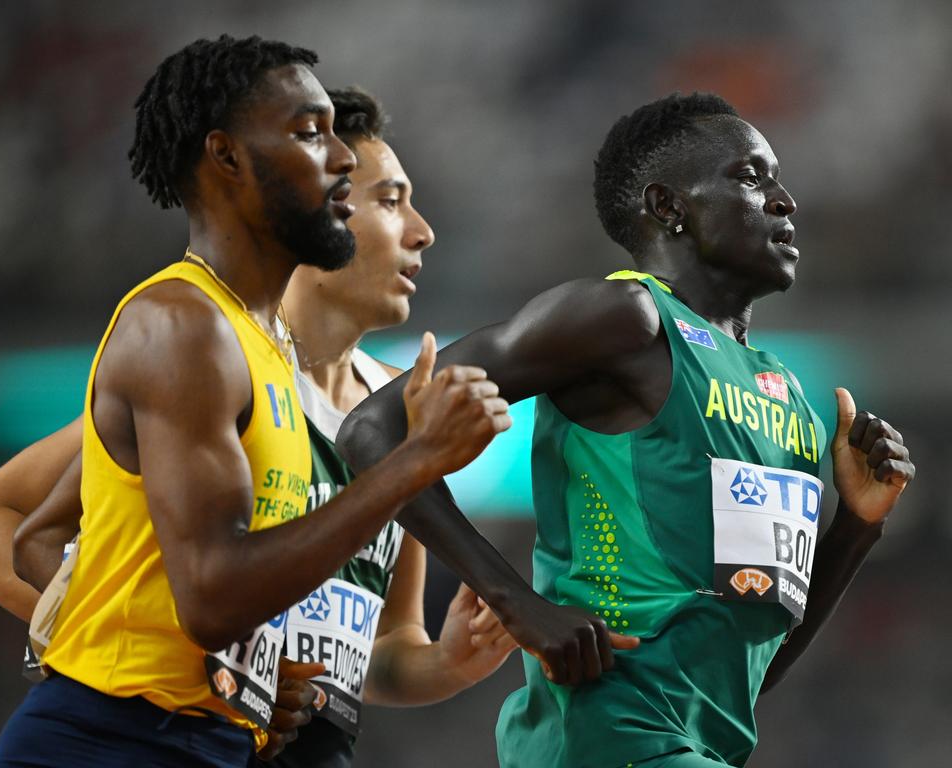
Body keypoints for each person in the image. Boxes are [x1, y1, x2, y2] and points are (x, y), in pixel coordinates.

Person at [0, 35, 513, 768]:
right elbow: (209, 594)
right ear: (227, 157)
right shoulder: (180, 325)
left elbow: (206, 593)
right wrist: (415, 462)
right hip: (112, 740)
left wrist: (252, 675)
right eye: (308, 132)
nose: (342, 159)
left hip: (215, 743)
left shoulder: (267, 348)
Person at [337, 92, 915, 767]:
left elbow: (749, 674)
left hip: (697, 748)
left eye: (777, 179)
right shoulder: (624, 316)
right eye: (751, 178)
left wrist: (854, 526)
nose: (784, 200)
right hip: (606, 738)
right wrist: (518, 602)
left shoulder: (784, 394)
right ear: (668, 206)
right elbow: (371, 430)